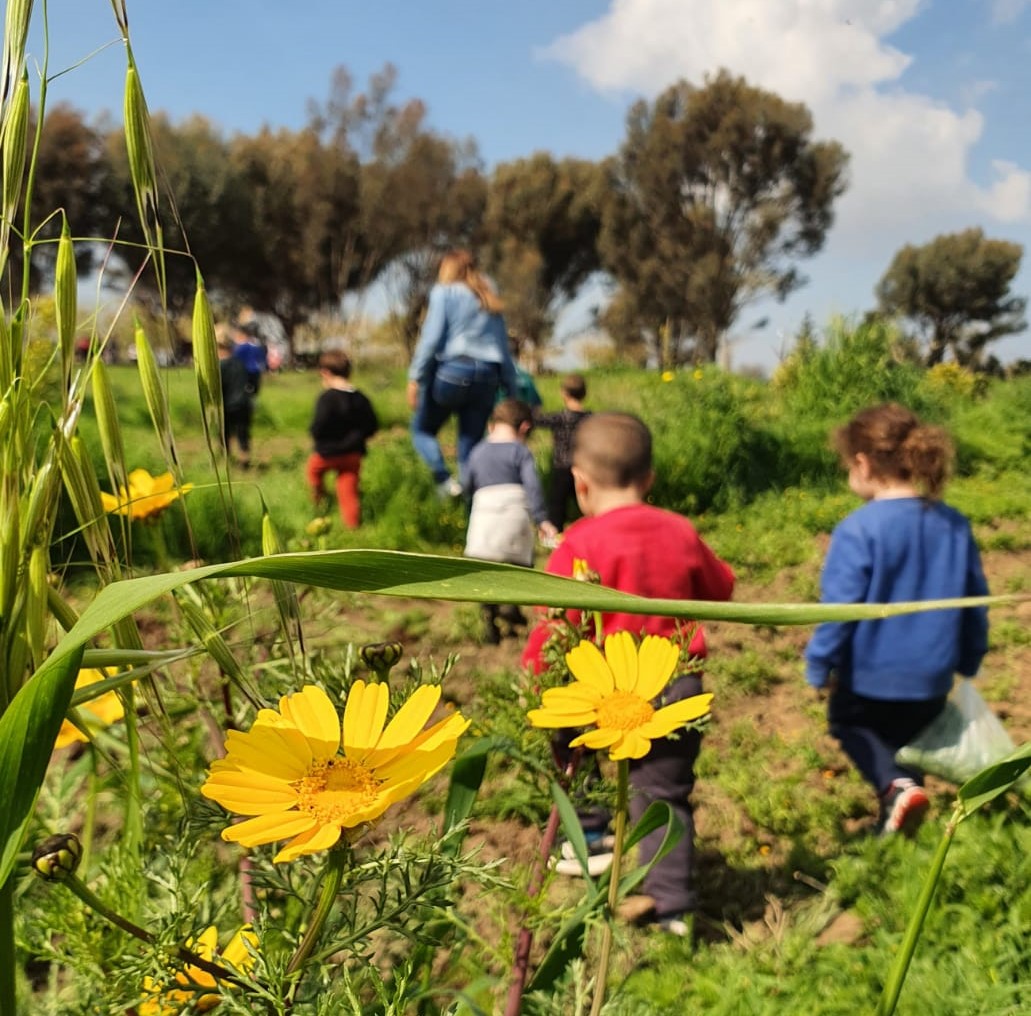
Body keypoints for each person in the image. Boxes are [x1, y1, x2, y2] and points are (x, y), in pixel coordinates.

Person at [522, 413, 735, 935]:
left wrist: (535, 674)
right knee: (664, 795)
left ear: (580, 483)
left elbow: (554, 622)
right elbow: (721, 588)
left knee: (568, 747)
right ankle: (674, 907)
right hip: (677, 682)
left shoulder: (579, 542)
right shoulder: (679, 530)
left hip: (597, 692)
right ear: (650, 478)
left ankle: (590, 831)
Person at [805, 403, 989, 837]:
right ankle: (902, 818)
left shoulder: (858, 529)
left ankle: (894, 789)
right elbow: (975, 602)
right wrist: (970, 658)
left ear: (863, 463)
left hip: (871, 676)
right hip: (933, 674)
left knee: (848, 723)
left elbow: (839, 610)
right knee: (908, 745)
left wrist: (819, 663)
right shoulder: (953, 523)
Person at [407, 250, 520, 498]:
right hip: (488, 375)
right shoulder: (488, 293)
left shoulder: (444, 292)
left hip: (453, 372)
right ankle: (472, 506)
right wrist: (512, 388)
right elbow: (502, 345)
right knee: (470, 444)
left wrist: (416, 377)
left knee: (421, 430)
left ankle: (444, 482)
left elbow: (431, 339)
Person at [463, 399, 558, 643]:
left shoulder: (477, 451)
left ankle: (490, 624)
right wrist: (542, 519)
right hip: (515, 515)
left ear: (492, 425)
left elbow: (467, 486)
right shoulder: (520, 451)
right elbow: (533, 487)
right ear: (524, 427)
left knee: (484, 572)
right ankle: (512, 606)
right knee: (518, 567)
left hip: (484, 516)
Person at [306, 349, 379, 529]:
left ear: (325, 372)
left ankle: (319, 503)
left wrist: (316, 435)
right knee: (348, 490)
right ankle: (352, 526)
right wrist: (358, 438)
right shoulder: (361, 398)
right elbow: (372, 425)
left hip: (326, 452)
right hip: (353, 453)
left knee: (313, 472)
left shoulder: (327, 398)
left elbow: (319, 425)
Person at [534, 372, 591, 531]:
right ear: (584, 394)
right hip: (582, 467)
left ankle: (553, 534)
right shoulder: (590, 418)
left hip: (561, 466)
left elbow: (537, 420)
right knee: (586, 504)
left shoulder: (560, 417)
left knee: (556, 505)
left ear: (564, 393)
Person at [218, 332, 253, 469]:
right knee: (242, 432)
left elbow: (218, 388)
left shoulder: (219, 367)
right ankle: (244, 459)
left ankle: (226, 459)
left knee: (225, 433)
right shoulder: (240, 363)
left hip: (227, 405)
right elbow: (252, 382)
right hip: (243, 403)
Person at [232, 319, 267, 397]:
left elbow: (235, 358)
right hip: (256, 369)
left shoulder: (241, 347)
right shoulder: (257, 346)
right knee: (254, 390)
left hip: (245, 370)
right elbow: (262, 358)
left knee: (244, 390)